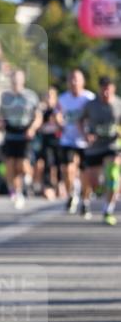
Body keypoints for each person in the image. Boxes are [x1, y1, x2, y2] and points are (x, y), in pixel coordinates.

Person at [0, 69, 42, 210]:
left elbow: (38, 116)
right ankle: (17, 192)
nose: (15, 82)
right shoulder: (5, 97)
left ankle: (28, 179)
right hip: (10, 133)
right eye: (13, 80)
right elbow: (1, 115)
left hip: (25, 132)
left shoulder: (30, 96)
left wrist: (33, 128)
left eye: (18, 80)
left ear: (23, 80)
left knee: (22, 164)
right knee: (10, 165)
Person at [80, 76, 121, 225]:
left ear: (113, 89)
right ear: (99, 89)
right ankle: (96, 192)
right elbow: (80, 120)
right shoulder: (91, 105)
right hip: (94, 147)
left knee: (113, 175)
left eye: (108, 89)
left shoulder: (118, 104)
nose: (106, 93)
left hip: (112, 146)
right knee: (94, 183)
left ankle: (108, 210)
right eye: (103, 89)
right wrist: (85, 134)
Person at [56, 69, 95, 214]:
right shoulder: (63, 98)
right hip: (68, 139)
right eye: (71, 79)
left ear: (82, 81)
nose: (73, 82)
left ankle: (85, 201)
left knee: (86, 174)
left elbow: (95, 117)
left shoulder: (89, 98)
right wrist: (59, 122)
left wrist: (91, 133)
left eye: (76, 79)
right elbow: (57, 114)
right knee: (67, 170)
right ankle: (72, 193)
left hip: (85, 141)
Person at [34, 87, 61, 199]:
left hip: (57, 138)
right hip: (46, 138)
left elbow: (61, 124)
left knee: (59, 163)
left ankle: (60, 184)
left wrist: (55, 115)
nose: (48, 98)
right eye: (47, 96)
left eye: (50, 96)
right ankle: (48, 186)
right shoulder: (42, 109)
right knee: (47, 162)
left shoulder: (58, 108)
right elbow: (38, 123)